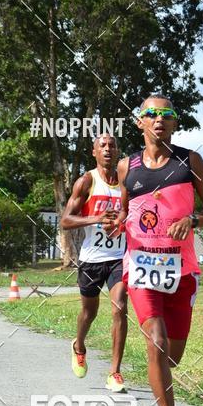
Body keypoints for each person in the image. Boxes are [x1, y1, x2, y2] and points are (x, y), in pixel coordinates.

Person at [104, 95, 203, 406]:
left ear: (174, 124)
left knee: (170, 358)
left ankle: (161, 379)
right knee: (155, 342)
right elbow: (126, 210)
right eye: (151, 114)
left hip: (181, 272)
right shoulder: (127, 167)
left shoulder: (190, 162)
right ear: (140, 123)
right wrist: (118, 223)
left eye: (166, 114)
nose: (159, 119)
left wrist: (195, 220)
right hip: (140, 268)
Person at [60, 134, 128, 392]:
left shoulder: (126, 184)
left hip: (119, 258)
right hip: (91, 259)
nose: (108, 149)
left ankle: (115, 372)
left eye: (112, 146)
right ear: (94, 152)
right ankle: (79, 346)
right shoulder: (87, 181)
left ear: (117, 151)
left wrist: (121, 225)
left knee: (119, 307)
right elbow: (66, 221)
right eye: (103, 146)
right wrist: (96, 219)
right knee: (89, 313)